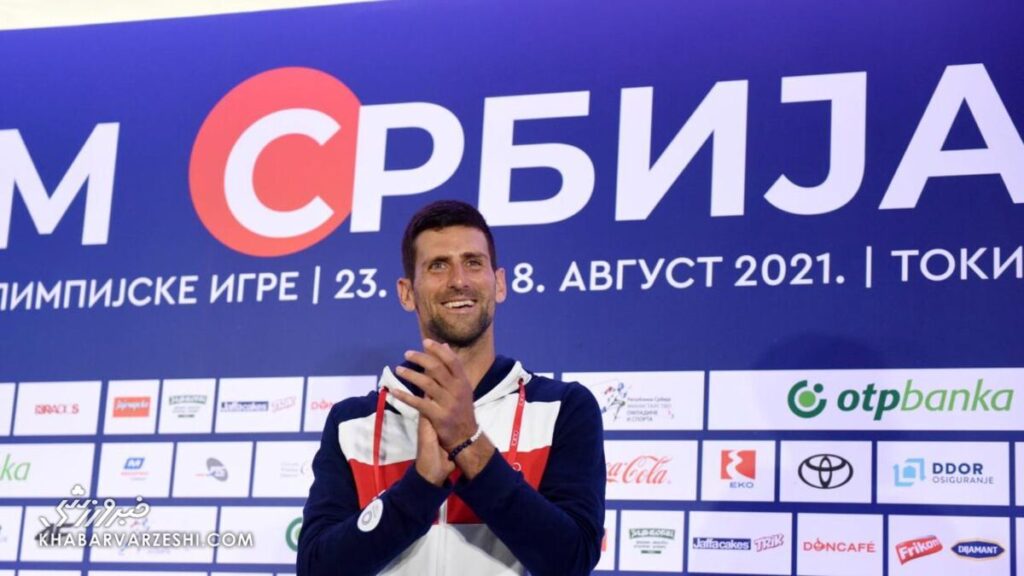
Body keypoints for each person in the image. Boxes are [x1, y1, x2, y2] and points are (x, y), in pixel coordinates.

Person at [297, 200, 605, 576]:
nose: (459, 280)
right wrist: (420, 487)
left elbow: (572, 561)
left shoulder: (564, 408)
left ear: (500, 283)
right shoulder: (351, 422)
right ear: (407, 293)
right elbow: (316, 569)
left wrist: (469, 443)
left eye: (473, 262)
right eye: (438, 265)